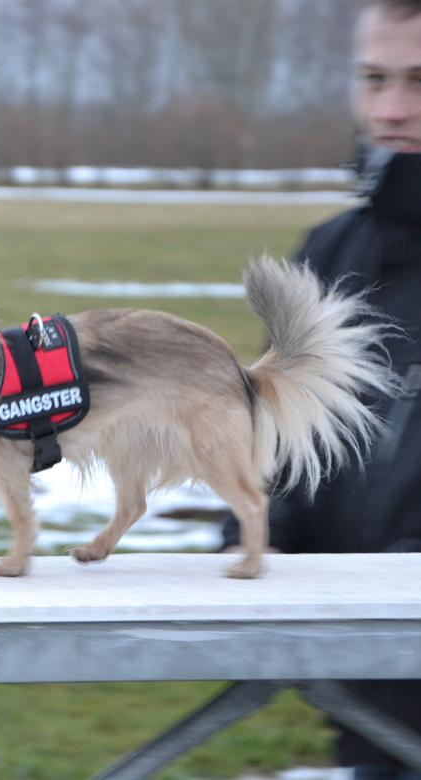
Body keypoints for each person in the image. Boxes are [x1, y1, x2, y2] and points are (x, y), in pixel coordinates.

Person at [222, 1, 421, 777]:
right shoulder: (330, 254)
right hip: (363, 691)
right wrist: (247, 540)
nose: (390, 110)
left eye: (418, 82)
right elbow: (272, 450)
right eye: (373, 79)